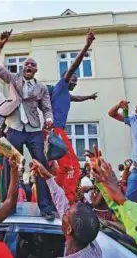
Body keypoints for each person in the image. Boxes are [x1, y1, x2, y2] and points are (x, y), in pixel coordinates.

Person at [0, 29, 56, 219]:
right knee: (8, 163)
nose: (29, 66)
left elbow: (47, 108)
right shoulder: (13, 79)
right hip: (13, 128)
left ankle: (45, 206)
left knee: (41, 164)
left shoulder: (41, 87)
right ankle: (7, 205)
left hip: (34, 130)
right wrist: (0, 44)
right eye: (26, 64)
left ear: (35, 70)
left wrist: (49, 119)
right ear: (22, 68)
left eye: (32, 65)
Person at [46, 31, 97, 204]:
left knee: (63, 167)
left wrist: (89, 97)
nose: (74, 82)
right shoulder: (61, 86)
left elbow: (77, 98)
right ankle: (67, 199)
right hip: (55, 131)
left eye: (76, 81)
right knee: (74, 166)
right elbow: (73, 67)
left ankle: (57, 193)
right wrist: (87, 46)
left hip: (55, 131)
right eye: (72, 80)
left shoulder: (66, 95)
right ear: (66, 79)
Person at [30, 160, 102, 257]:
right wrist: (47, 176)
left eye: (67, 213)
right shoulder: (91, 244)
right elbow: (61, 202)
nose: (64, 211)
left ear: (69, 229)